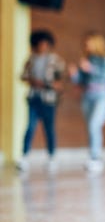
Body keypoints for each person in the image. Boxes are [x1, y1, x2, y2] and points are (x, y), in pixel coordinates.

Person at [16, 29, 66, 172]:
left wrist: (54, 85)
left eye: (45, 43)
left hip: (49, 99)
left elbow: (61, 78)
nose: (42, 46)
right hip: (33, 98)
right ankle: (24, 156)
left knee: (49, 128)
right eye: (40, 43)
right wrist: (33, 81)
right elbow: (23, 76)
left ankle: (51, 156)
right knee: (30, 127)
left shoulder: (55, 60)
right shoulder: (31, 59)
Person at [68, 32, 105, 173]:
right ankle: (93, 157)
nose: (86, 45)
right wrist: (74, 74)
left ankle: (96, 158)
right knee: (91, 127)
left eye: (88, 42)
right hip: (87, 96)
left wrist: (90, 68)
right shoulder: (86, 58)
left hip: (101, 95)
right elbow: (80, 80)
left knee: (94, 124)